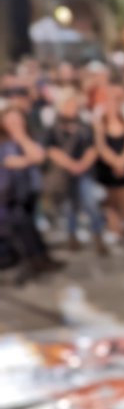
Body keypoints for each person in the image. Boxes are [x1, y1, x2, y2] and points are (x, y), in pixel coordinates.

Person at [44, 90, 107, 256]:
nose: (71, 107)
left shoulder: (85, 126)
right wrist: (71, 165)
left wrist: (82, 165)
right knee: (69, 207)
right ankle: (72, 236)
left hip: (84, 172)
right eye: (68, 104)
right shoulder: (54, 127)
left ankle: (98, 234)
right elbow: (51, 150)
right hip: (64, 173)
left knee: (90, 203)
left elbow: (92, 148)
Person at [0, 108, 59, 283]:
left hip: (30, 191)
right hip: (8, 195)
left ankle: (41, 259)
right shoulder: (3, 143)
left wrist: (21, 137)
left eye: (17, 120)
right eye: (10, 120)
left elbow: (39, 157)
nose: (14, 124)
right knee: (19, 230)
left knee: (30, 227)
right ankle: (31, 262)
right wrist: (29, 158)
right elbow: (10, 162)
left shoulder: (31, 138)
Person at [94, 90, 124, 247]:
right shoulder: (100, 124)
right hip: (109, 169)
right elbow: (101, 147)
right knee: (115, 202)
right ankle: (119, 230)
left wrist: (122, 162)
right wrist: (115, 162)